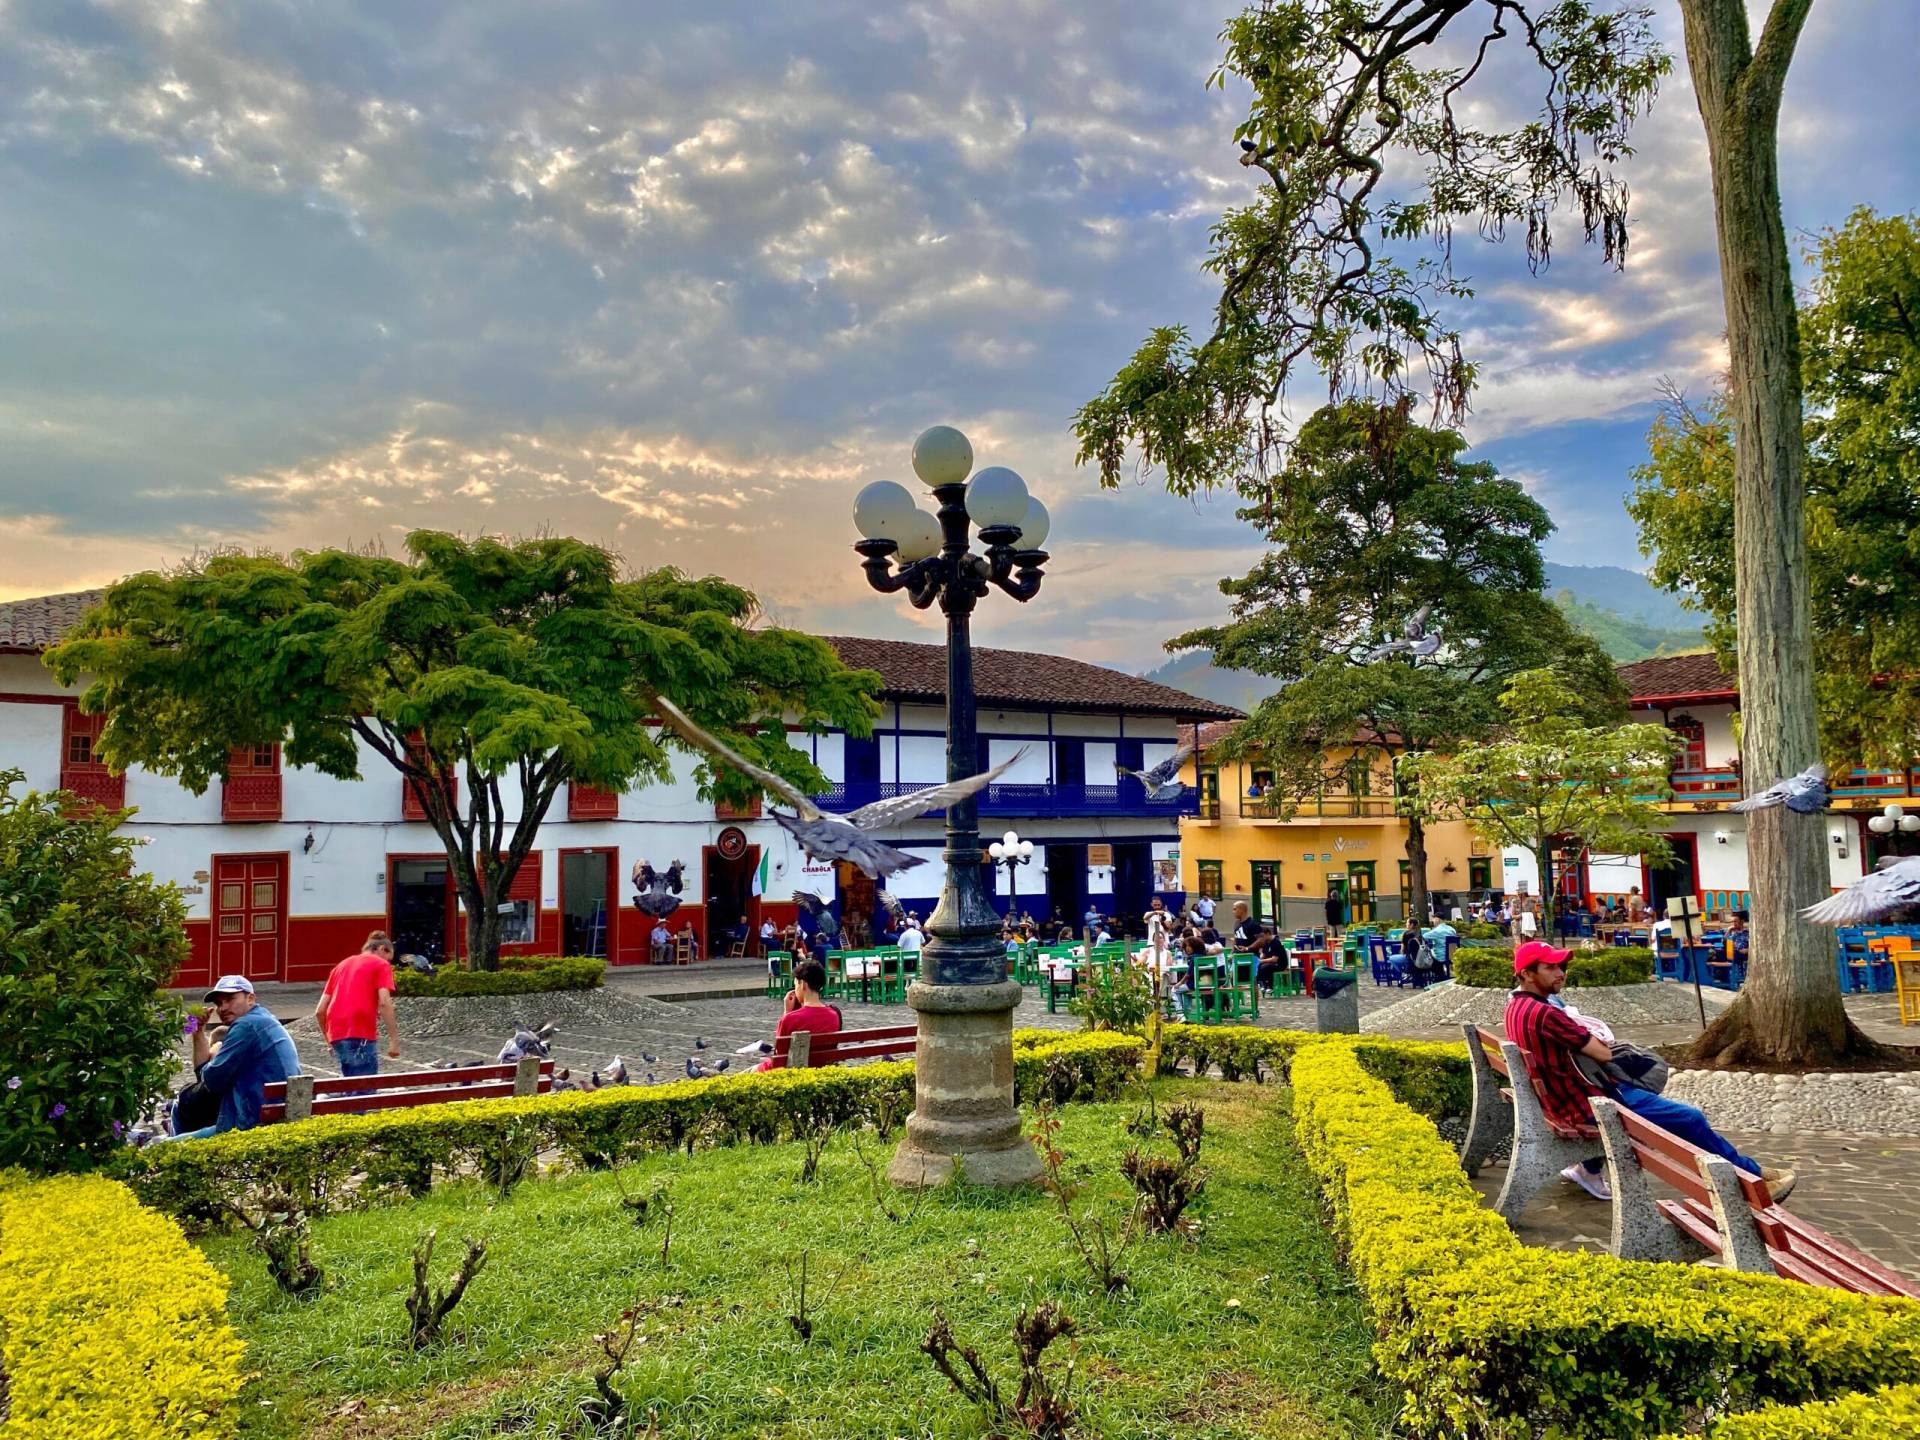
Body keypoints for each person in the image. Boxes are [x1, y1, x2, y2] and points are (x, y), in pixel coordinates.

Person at [1504, 941, 1795, 1204]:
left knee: (1656, 1097)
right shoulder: (1546, 1014)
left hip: (1564, 1098)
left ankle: (1588, 1169)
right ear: (1527, 974)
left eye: (1561, 966)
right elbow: (1603, 1052)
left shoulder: (1517, 1006)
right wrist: (1588, 1036)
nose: (1560, 973)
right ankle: (1753, 1182)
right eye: (1550, 967)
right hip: (1589, 1105)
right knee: (1689, 1118)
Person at [162, 976, 301, 1140]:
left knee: (161, 1146)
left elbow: (212, 1081)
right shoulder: (264, 1020)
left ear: (250, 998)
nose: (223, 1007)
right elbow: (205, 1079)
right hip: (272, 1117)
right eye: (219, 1003)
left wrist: (215, 1054)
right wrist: (199, 1032)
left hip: (250, 1124)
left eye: (230, 999)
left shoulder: (247, 1025)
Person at [314, 931, 402, 1077]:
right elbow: (384, 1003)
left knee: (350, 1088)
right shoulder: (381, 965)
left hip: (337, 1034)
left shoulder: (341, 966)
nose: (388, 962)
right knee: (363, 1091)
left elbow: (320, 1011)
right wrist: (394, 1040)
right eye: (389, 958)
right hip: (360, 1033)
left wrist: (328, 1041)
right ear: (381, 949)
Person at [758, 960, 843, 1069]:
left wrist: (786, 1013)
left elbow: (780, 1056)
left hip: (791, 1073)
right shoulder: (834, 1014)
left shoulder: (790, 1018)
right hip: (821, 1070)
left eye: (795, 985)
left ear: (802, 984)